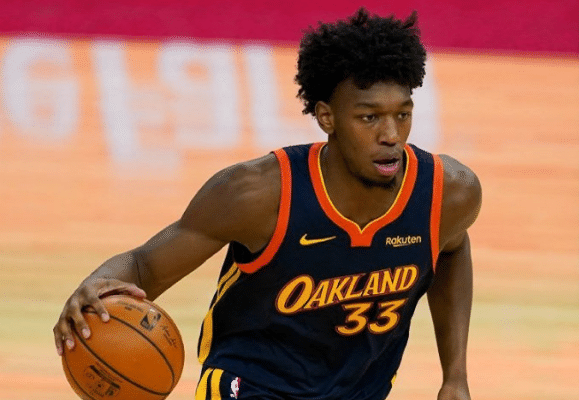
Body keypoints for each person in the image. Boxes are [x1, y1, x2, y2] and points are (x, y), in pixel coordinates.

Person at [53, 8, 481, 400]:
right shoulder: (256, 194)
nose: (391, 135)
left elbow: (452, 246)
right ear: (327, 117)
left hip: (360, 391)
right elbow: (145, 265)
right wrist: (95, 285)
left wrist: (455, 376)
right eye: (369, 118)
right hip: (250, 384)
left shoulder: (447, 193)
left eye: (402, 115)